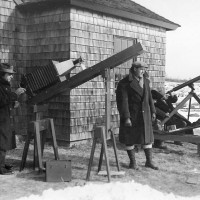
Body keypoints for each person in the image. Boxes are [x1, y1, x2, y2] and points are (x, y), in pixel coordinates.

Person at [116, 61, 158, 170]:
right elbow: (123, 102)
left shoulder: (146, 82)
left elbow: (149, 98)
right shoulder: (124, 83)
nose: (143, 71)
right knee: (130, 138)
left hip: (145, 114)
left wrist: (153, 111)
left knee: (147, 138)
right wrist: (126, 117)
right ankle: (133, 163)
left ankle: (149, 162)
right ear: (134, 69)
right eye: (141, 69)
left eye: (144, 69)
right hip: (132, 116)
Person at [0, 63, 26, 175]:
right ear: (2, 74)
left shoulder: (5, 85)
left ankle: (1, 164)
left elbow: (5, 101)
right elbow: (1, 101)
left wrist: (12, 104)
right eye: (9, 74)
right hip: (1, 119)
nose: (11, 76)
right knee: (1, 143)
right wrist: (15, 94)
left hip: (4, 117)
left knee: (4, 142)